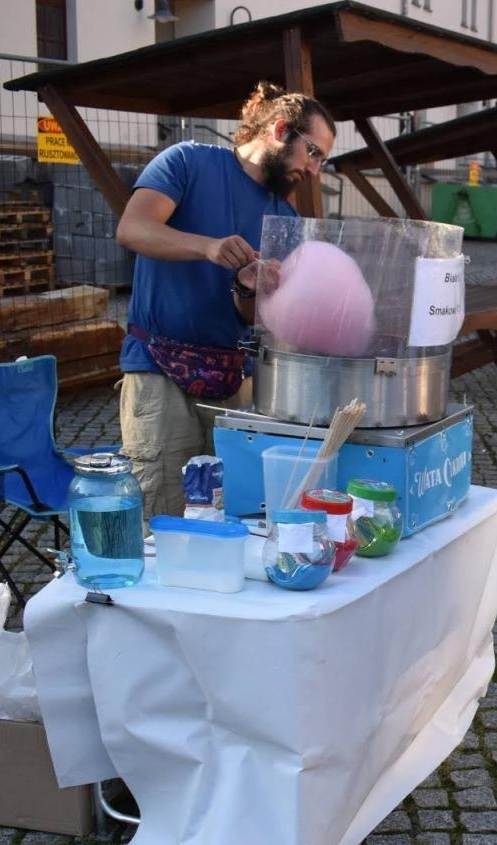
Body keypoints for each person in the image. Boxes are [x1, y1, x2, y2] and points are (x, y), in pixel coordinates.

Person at [116, 81, 334, 520]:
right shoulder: (187, 162)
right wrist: (208, 247)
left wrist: (249, 289)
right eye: (313, 152)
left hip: (235, 382)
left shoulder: (285, 217)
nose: (314, 171)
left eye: (323, 161)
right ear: (279, 130)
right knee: (161, 517)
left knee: (233, 514)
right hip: (160, 375)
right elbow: (132, 229)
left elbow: (252, 317)